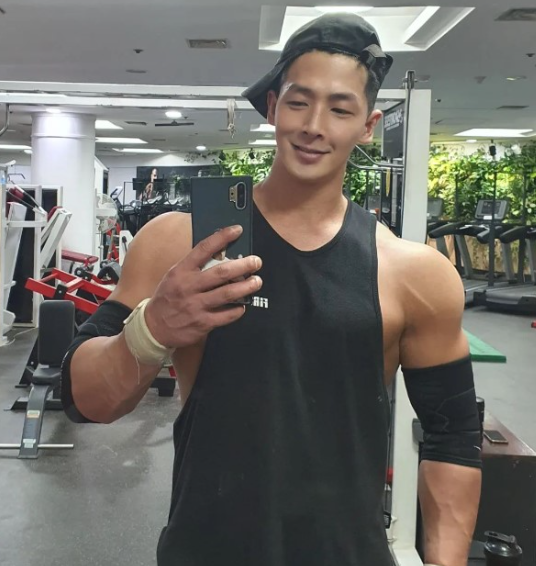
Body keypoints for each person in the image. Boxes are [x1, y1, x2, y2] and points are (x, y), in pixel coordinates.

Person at [61, 13, 482, 566]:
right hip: (205, 551)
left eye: (340, 109)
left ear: (368, 125)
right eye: (299, 102)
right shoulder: (177, 242)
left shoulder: (414, 273)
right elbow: (84, 401)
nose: (314, 126)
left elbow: (453, 436)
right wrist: (152, 327)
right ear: (272, 107)